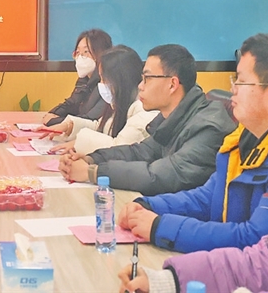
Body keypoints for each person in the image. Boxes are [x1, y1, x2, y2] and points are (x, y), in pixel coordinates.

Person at [118, 34, 268, 254]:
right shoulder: (246, 139)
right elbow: (207, 198)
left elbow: (257, 240)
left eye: (241, 81)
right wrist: (149, 205)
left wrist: (160, 227)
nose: (233, 89)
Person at [119, 149, 268, 293]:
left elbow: (254, 235)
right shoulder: (246, 143)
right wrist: (168, 282)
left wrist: (160, 227)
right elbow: (260, 266)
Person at [60, 44, 236, 195]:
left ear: (172, 84)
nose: (140, 86)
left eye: (147, 79)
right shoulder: (173, 116)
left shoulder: (208, 127)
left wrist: (93, 172)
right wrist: (92, 159)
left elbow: (161, 176)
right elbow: (139, 152)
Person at [37, 45, 159, 155]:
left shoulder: (144, 111)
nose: (101, 84)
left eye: (103, 79)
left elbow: (120, 148)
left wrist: (79, 143)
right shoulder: (121, 103)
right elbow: (101, 127)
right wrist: (69, 126)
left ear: (120, 80)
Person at [41, 29, 113, 127]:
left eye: (86, 51)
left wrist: (54, 121)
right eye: (78, 52)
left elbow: (90, 120)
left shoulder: (107, 83)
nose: (80, 57)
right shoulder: (84, 80)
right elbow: (71, 104)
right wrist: (52, 114)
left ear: (101, 53)